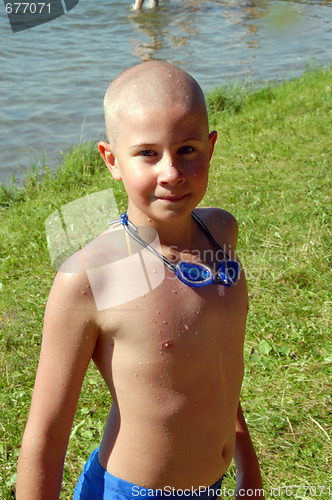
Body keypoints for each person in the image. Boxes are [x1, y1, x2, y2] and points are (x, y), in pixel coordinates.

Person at [16, 61, 264, 499]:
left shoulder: (221, 232)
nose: (171, 171)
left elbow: (216, 368)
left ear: (210, 147)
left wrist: (249, 466)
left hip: (214, 484)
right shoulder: (91, 278)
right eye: (148, 153)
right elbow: (45, 439)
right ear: (112, 160)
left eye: (187, 149)